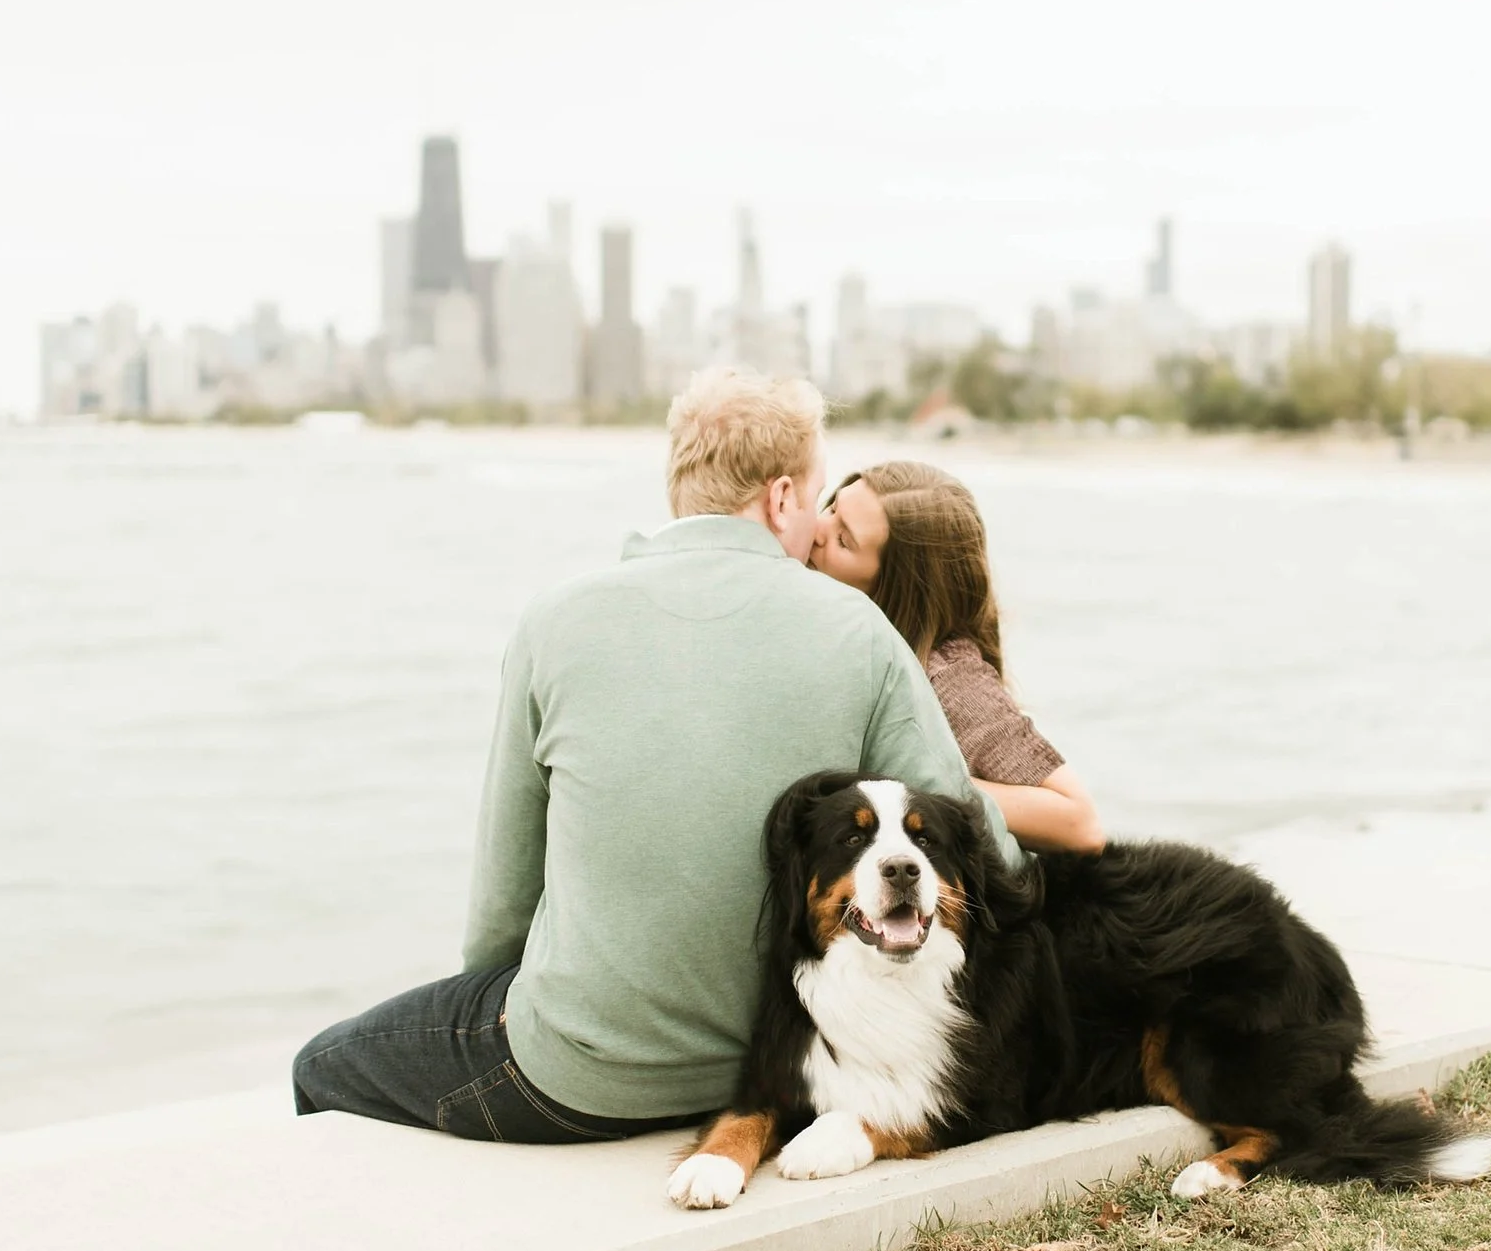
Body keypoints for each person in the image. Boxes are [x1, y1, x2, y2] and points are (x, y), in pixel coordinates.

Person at [291, 371, 1032, 1143]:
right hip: (792, 1072)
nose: (815, 527)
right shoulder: (861, 631)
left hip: (580, 1082)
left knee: (321, 1064)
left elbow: (501, 912)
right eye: (815, 499)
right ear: (781, 498)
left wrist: (529, 990)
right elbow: (985, 858)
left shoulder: (555, 620)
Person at [811, 460, 1106, 854]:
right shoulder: (836, 634)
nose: (816, 530)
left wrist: (921, 779)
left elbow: (1079, 823)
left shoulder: (947, 675)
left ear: (896, 589)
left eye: (843, 540)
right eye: (831, 509)